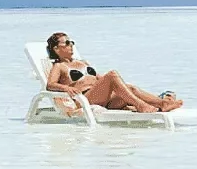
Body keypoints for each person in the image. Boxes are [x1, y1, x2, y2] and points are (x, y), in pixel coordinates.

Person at [44, 32, 183, 114]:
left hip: (103, 96)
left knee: (131, 88)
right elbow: (50, 85)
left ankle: (162, 103)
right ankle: (141, 105)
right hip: (85, 99)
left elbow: (99, 78)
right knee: (112, 74)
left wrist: (117, 86)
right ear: (56, 49)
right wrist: (66, 88)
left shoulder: (83, 62)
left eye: (71, 42)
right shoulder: (59, 66)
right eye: (67, 43)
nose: (71, 45)